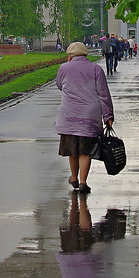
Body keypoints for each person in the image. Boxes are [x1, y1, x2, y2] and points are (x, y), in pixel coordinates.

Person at [55, 41, 114, 195]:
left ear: (70, 56)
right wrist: (108, 115)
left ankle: (73, 177)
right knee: (85, 151)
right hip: (90, 115)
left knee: (72, 149)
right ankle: (83, 182)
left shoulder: (64, 68)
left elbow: (60, 85)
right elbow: (103, 94)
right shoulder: (96, 69)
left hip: (69, 114)